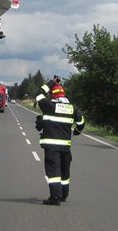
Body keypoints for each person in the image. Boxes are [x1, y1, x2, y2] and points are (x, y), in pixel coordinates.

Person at [34, 76, 85, 206]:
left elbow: (39, 94)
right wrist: (77, 132)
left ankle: (55, 198)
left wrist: (51, 82)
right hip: (66, 148)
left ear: (52, 95)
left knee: (53, 172)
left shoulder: (48, 105)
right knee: (64, 172)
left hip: (52, 147)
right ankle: (63, 196)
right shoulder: (72, 108)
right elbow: (81, 123)